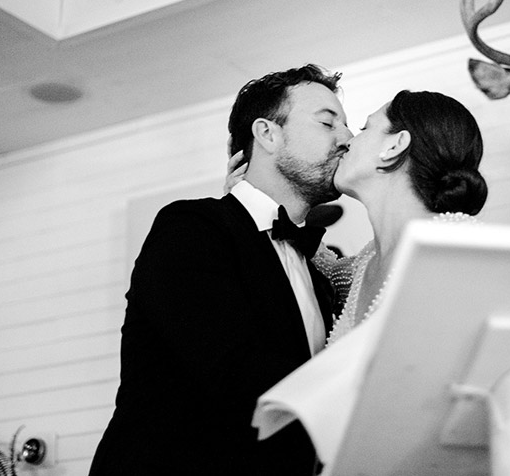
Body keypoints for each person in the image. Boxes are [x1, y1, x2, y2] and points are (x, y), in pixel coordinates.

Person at [89, 64, 352, 476]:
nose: (347, 139)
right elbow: (232, 373)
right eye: (327, 122)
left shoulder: (317, 274)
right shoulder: (191, 228)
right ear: (267, 134)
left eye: (348, 126)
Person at [317, 89, 487, 344]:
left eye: (365, 128)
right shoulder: (363, 264)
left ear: (394, 145)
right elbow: (315, 263)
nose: (348, 141)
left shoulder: (459, 247)